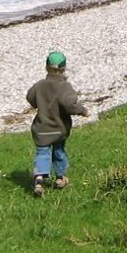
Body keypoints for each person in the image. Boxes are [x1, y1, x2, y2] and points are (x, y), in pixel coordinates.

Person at [26, 50, 89, 197]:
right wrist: (83, 111)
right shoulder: (65, 87)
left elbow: (30, 98)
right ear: (64, 69)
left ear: (46, 68)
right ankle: (60, 177)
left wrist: (40, 101)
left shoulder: (40, 85)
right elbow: (70, 104)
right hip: (59, 129)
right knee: (58, 151)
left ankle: (39, 179)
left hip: (41, 128)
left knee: (42, 152)